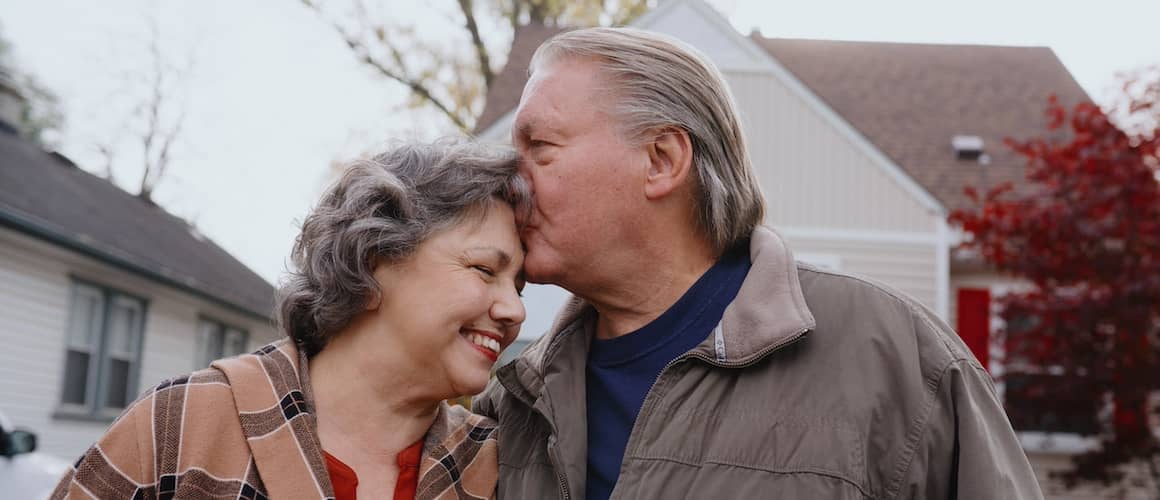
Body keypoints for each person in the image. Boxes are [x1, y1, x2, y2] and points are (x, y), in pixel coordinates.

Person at [474, 27, 1044, 499]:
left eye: (539, 149)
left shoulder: (900, 361)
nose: (508, 180)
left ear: (661, 160)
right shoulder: (512, 398)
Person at [52, 138, 529, 500]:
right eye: (485, 270)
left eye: (519, 286)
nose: (515, 310)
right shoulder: (184, 424)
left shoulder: (501, 469)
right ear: (372, 264)